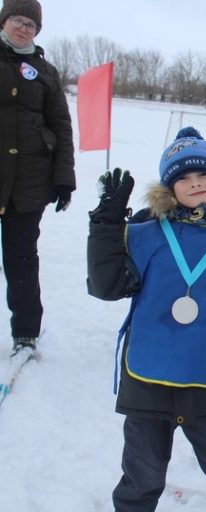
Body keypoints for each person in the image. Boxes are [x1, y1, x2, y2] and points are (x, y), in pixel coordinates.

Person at [87, 127, 206, 512]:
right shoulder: (145, 235)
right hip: (148, 379)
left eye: (203, 175)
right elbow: (106, 287)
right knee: (141, 476)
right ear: (168, 189)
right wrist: (106, 228)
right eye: (182, 178)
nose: (194, 184)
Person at [1, 0, 75, 353]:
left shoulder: (45, 71)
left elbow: (61, 124)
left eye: (31, 24)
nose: (24, 28)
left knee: (22, 261)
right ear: (4, 22)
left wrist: (64, 179)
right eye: (18, 20)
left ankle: (26, 333)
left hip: (28, 184)